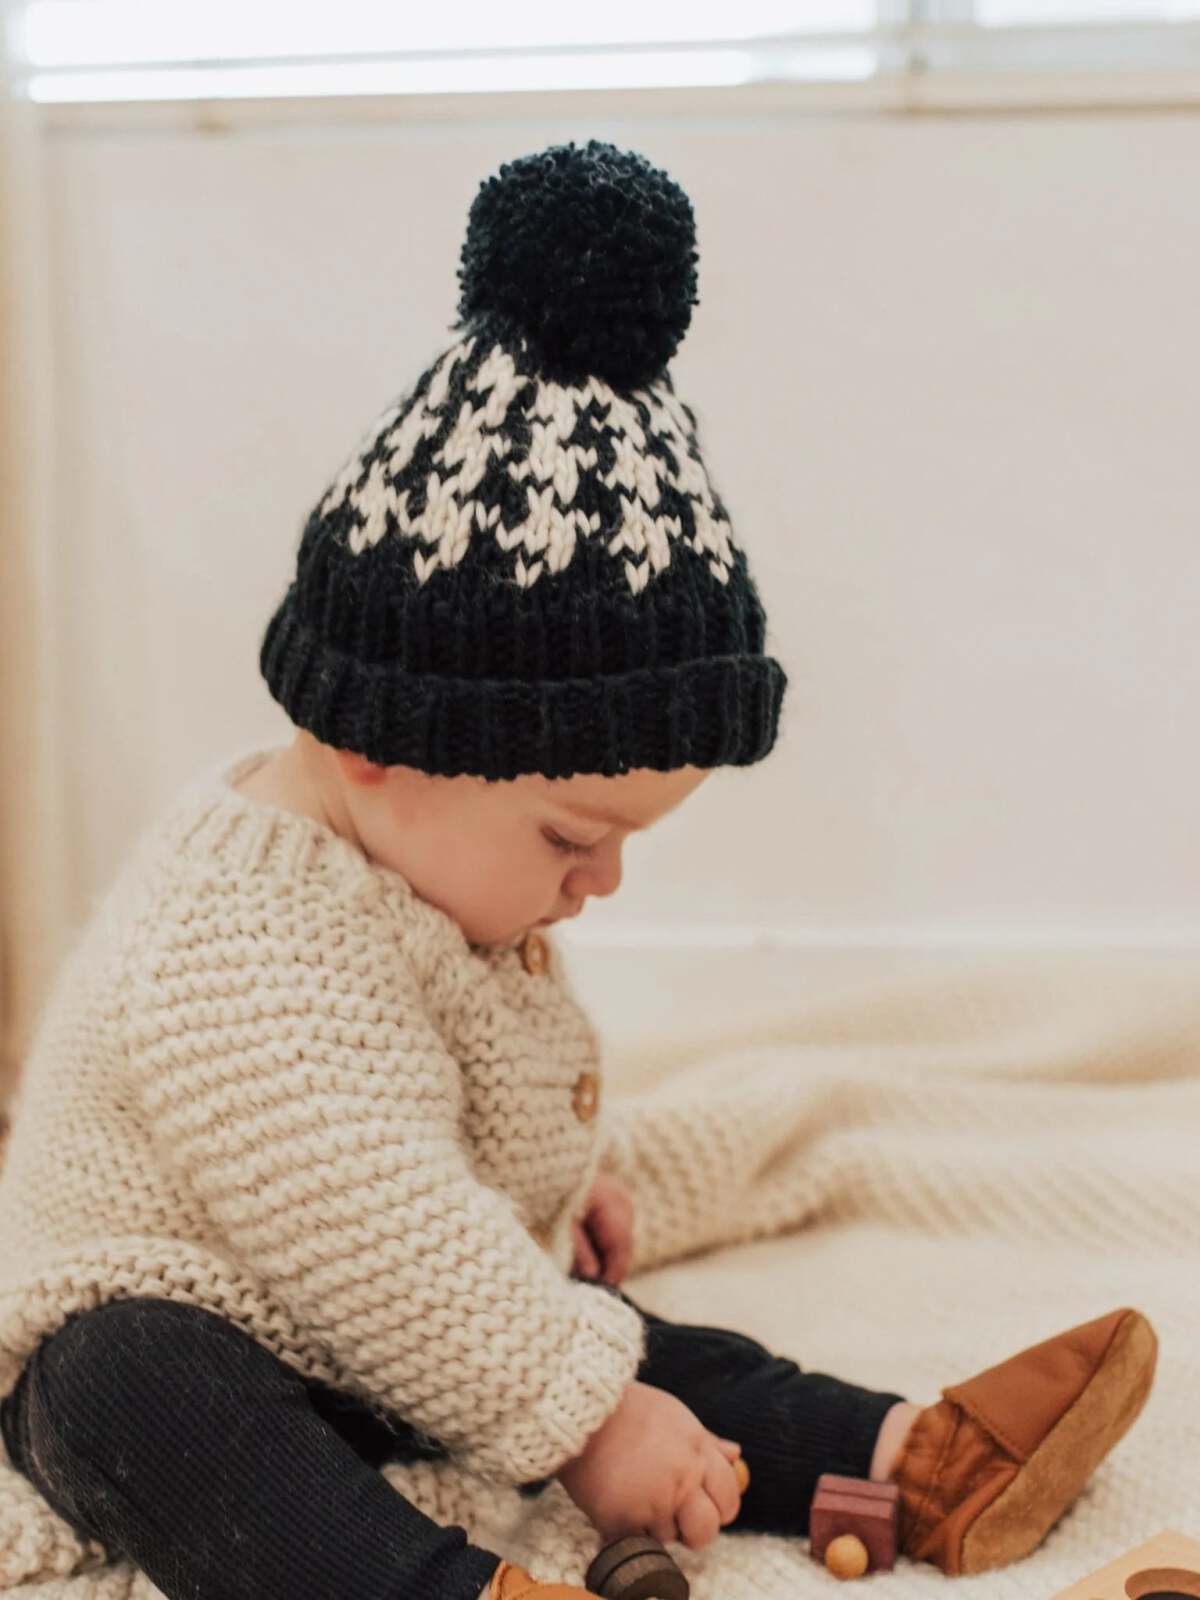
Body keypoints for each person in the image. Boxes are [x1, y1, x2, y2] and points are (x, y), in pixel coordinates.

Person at [0, 140, 1157, 1600]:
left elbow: (439, 1122)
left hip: (361, 1324)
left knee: (628, 1341)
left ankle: (910, 1460)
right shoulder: (239, 937)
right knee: (145, 1388)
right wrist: (591, 1423)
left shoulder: (414, 865)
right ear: (382, 744)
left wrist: (563, 1191)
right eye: (572, 837)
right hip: (179, 1312)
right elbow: (371, 1216)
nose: (598, 886)